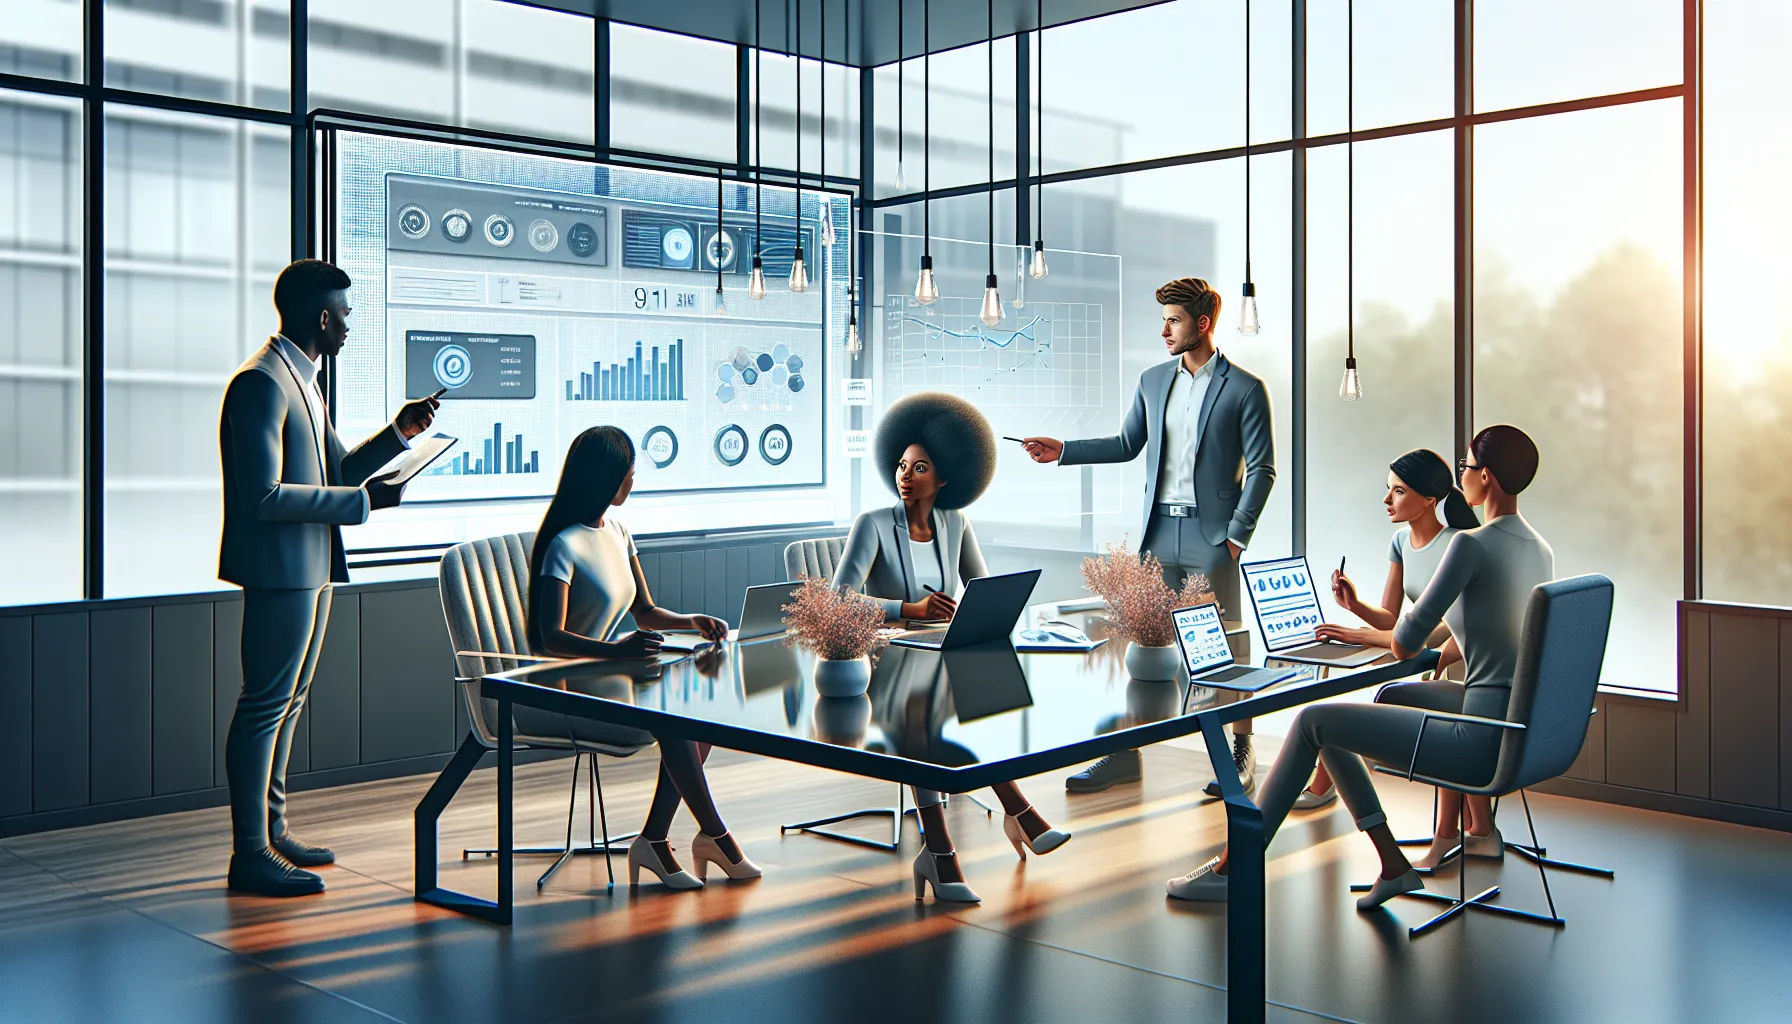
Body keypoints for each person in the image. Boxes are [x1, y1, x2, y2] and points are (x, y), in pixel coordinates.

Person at [1163, 425, 1553, 908]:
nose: (1462, 476)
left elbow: (1407, 642)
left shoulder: (1468, 545)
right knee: (1366, 708)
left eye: (1467, 467)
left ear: (1486, 477)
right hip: (1516, 723)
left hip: (1477, 737)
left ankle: (1234, 866)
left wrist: (1361, 629)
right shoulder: (1540, 548)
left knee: (1313, 720)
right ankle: (1393, 865)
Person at [219, 259, 439, 897]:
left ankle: (274, 830)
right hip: (281, 572)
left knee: (286, 704)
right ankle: (250, 852)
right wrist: (362, 505)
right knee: (264, 706)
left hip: (310, 567)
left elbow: (336, 469)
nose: (349, 325)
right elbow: (261, 497)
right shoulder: (261, 383)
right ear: (322, 316)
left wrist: (400, 434)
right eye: (344, 314)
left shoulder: (301, 379)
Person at [1024, 278, 1276, 797]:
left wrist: (1236, 536)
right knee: (1140, 643)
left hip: (1212, 537)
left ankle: (1241, 751)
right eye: (1163, 320)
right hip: (1157, 532)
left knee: (1222, 647)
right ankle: (1123, 753)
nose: (1164, 330)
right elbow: (1125, 444)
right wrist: (1064, 449)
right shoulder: (1152, 380)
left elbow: (1263, 469)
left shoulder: (1246, 388)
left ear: (1202, 324)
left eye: (1174, 320)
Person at [834, 391, 1072, 904]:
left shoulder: (955, 524)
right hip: (884, 655)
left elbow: (980, 587)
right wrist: (907, 610)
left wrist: (977, 615)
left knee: (983, 690)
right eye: (901, 465)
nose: (906, 475)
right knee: (921, 707)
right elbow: (838, 601)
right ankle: (958, 840)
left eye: (920, 467)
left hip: (939, 651)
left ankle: (974, 835)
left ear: (945, 478)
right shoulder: (872, 525)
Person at [527, 425, 760, 891]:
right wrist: (615, 651)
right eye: (629, 471)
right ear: (607, 478)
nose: (634, 478)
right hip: (571, 687)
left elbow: (646, 613)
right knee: (675, 716)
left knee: (700, 708)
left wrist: (690, 620)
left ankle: (654, 840)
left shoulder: (617, 530)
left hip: (618, 675)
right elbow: (547, 638)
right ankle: (716, 837)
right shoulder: (563, 545)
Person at [1293, 449, 1480, 813]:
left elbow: (1441, 631)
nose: (1386, 499)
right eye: (1388, 489)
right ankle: (1477, 833)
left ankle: (1474, 832)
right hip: (1431, 656)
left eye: (1398, 491)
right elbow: (1391, 618)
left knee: (1457, 750)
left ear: (1428, 500)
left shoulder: (1457, 545)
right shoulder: (1399, 544)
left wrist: (1357, 634)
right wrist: (1355, 606)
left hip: (1462, 662)